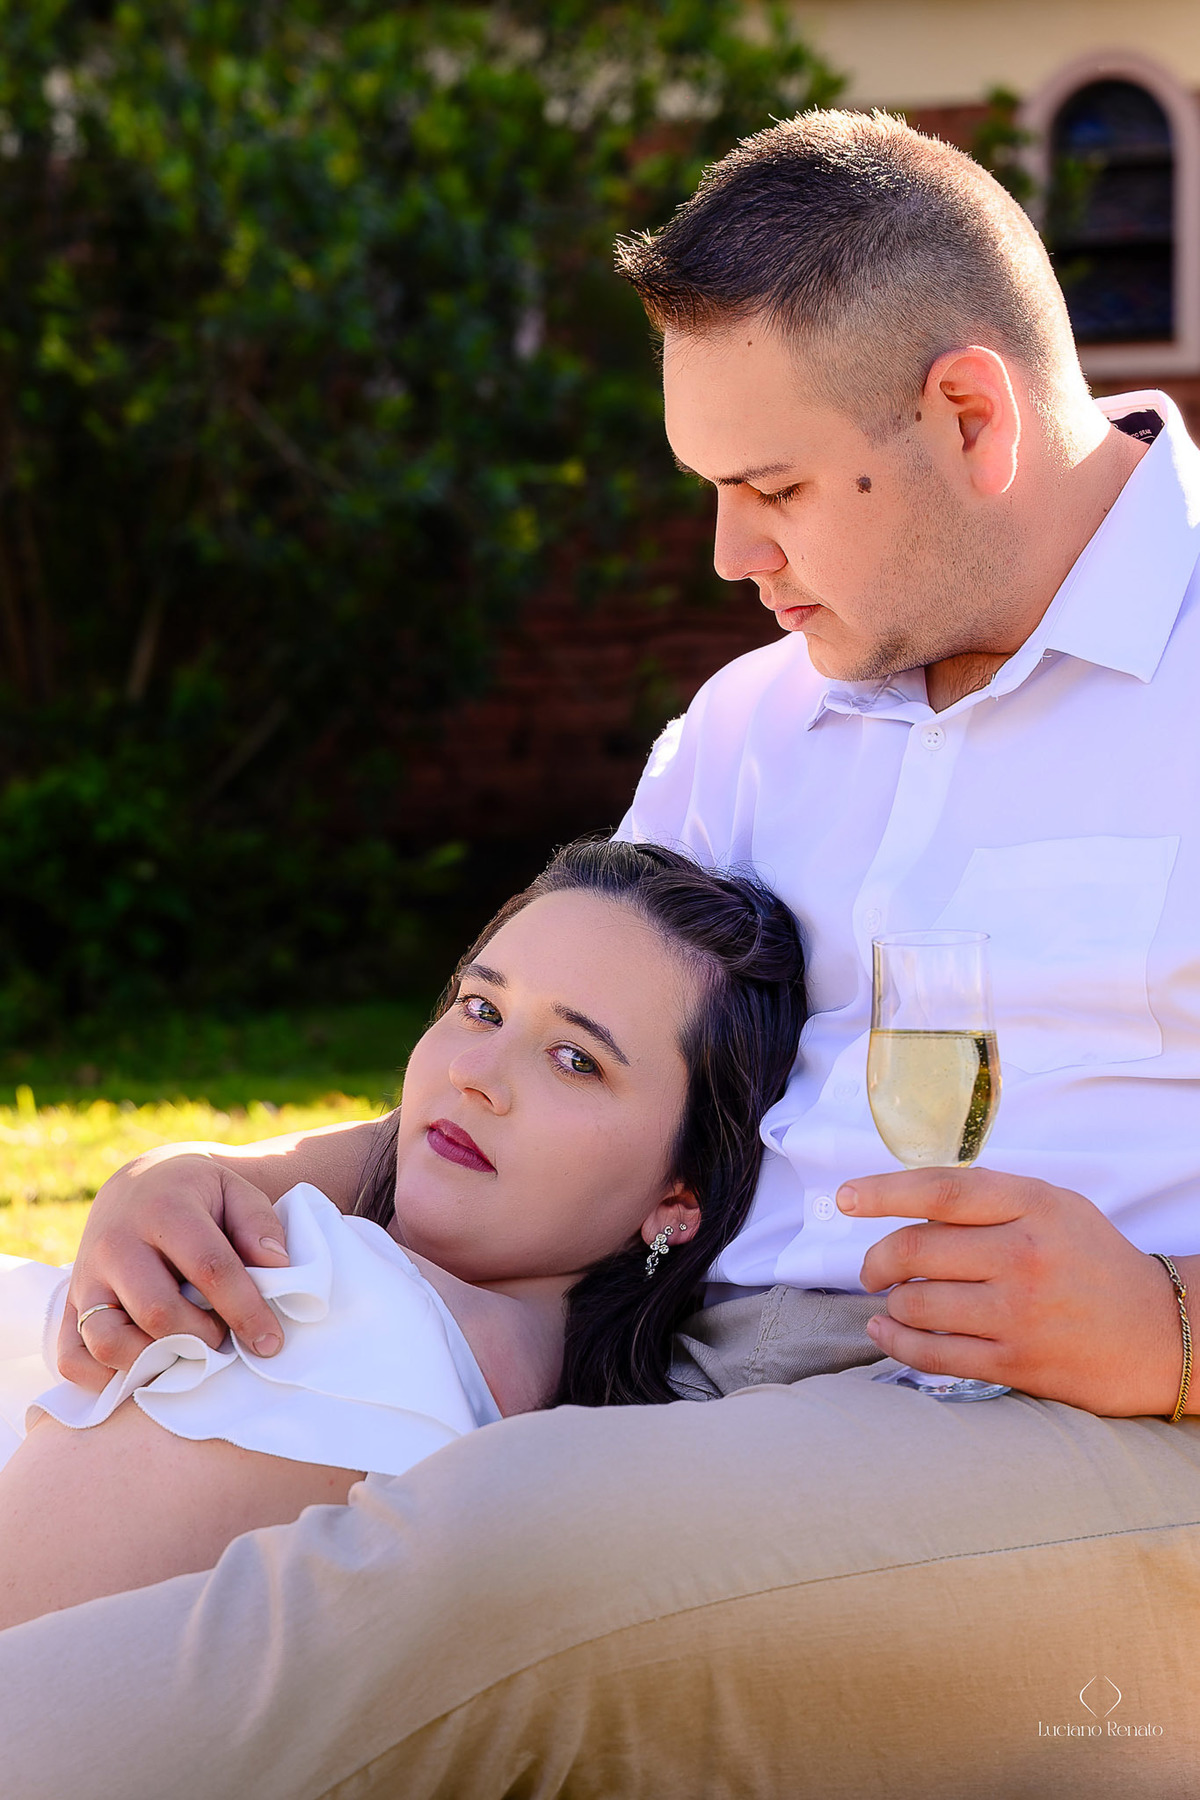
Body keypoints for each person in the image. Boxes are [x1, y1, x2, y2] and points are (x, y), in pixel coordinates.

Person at [3, 109, 1200, 1797]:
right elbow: (573, 1062)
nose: (730, 555)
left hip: (1086, 1450)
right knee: (137, 1381)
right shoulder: (753, 728)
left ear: (968, 415)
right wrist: (234, 1181)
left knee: (495, 1551)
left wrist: (1168, 1327)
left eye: (773, 490)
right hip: (667, 1389)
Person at [0, 838, 806, 1628]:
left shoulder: (336, 1299)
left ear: (678, 1199)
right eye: (480, 1009)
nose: (473, 1074)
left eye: (575, 1058)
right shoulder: (581, 1453)